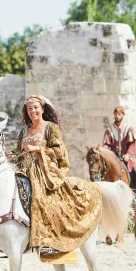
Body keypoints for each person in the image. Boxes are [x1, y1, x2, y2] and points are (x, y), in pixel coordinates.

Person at [15, 95, 102, 254]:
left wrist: (38, 150)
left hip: (43, 173)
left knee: (42, 200)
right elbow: (18, 152)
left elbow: (59, 152)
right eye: (29, 108)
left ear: (42, 109)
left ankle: (49, 241)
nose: (33, 111)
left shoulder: (50, 128)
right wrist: (10, 156)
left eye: (35, 107)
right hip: (22, 171)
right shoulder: (24, 131)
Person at [103, 105, 136, 193]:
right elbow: (106, 144)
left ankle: (135, 195)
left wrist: (128, 155)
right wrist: (106, 154)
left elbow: (132, 144)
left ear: (123, 115)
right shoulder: (110, 130)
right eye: (116, 114)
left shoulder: (128, 129)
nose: (117, 116)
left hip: (127, 159)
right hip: (114, 159)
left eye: (119, 114)